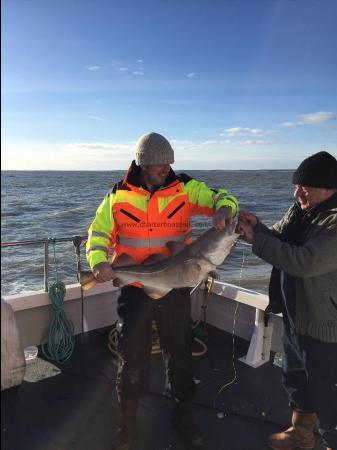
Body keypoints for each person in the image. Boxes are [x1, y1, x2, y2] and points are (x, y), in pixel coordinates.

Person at [86, 132, 239, 450]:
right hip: (136, 286)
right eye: (158, 164)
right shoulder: (118, 195)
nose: (165, 168)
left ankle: (182, 417)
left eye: (169, 162)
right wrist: (99, 261)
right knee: (132, 356)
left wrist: (224, 208)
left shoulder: (184, 187)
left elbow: (220, 196)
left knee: (179, 353)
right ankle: (126, 427)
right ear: (143, 164)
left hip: (175, 286)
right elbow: (98, 232)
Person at [238, 151, 337, 450]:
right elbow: (279, 238)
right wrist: (257, 226)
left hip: (324, 326)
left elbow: (303, 262)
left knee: (329, 396)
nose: (296, 193)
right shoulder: (301, 211)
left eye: (304, 188)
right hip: (295, 317)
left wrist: (256, 240)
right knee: (295, 378)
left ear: (329, 188)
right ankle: (301, 435)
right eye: (296, 186)